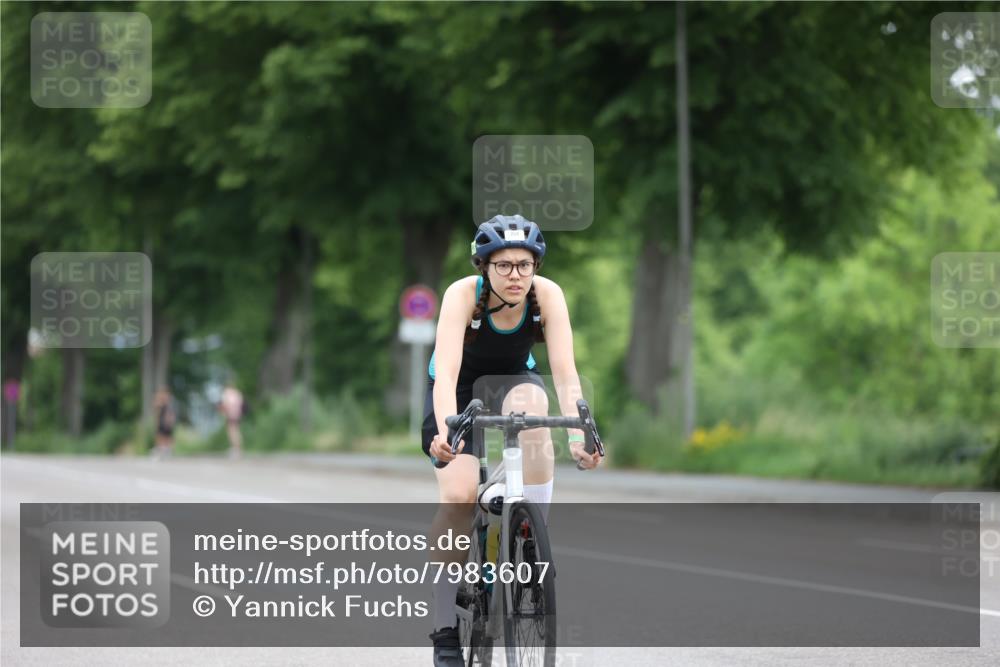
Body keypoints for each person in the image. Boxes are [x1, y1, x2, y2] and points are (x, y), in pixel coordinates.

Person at [423, 214, 601, 666]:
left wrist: (583, 430)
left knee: (534, 413)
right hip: (459, 389)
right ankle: (445, 630)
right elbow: (443, 371)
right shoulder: (462, 295)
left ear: (536, 266)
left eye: (525, 264)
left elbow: (564, 371)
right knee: (461, 496)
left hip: (513, 380)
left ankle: (530, 537)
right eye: (503, 266)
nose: (516, 275)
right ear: (484, 266)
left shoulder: (548, 295)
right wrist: (447, 430)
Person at [219, 381, 245, 459]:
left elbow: (225, 404)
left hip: (231, 415)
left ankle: (236, 450)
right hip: (237, 415)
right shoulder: (237, 393)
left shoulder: (227, 393)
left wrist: (223, 411)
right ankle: (238, 449)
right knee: (236, 431)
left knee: (232, 432)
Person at [151, 387, 176, 459]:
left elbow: (171, 415)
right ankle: (162, 451)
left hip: (166, 423)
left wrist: (170, 421)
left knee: (167, 437)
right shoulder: (161, 404)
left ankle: (166, 451)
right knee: (160, 437)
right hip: (162, 422)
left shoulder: (169, 405)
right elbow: (155, 408)